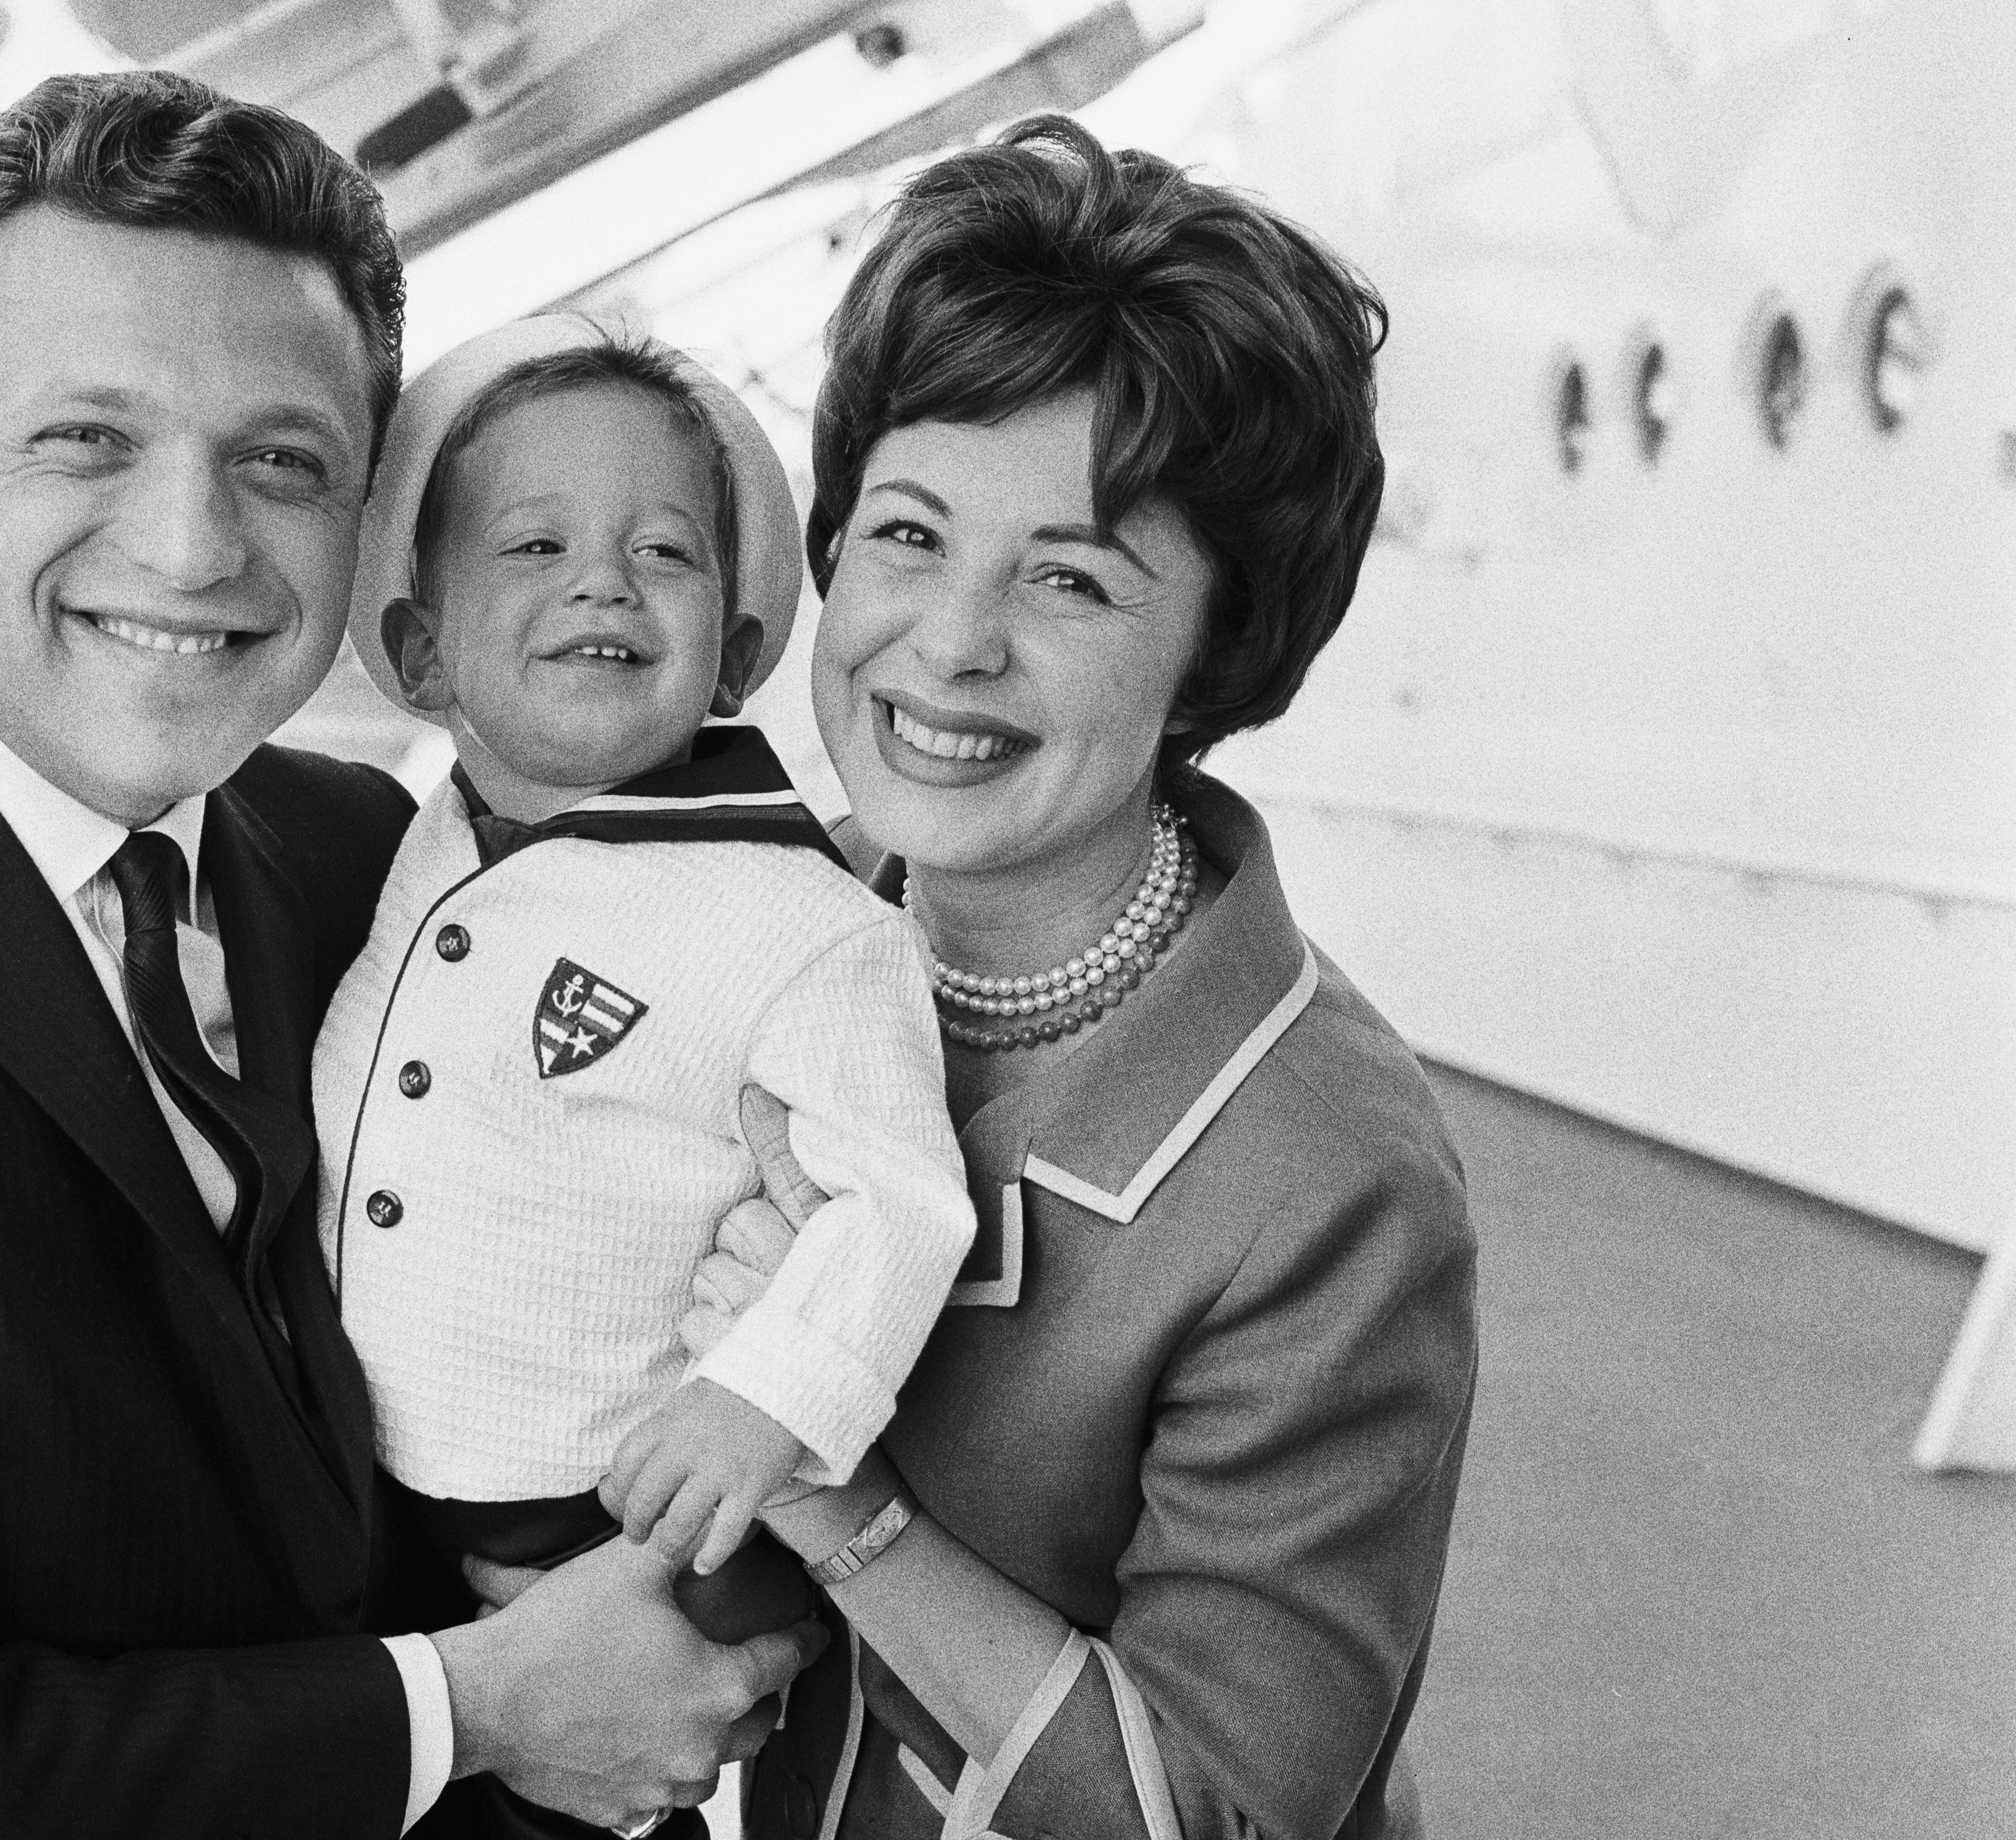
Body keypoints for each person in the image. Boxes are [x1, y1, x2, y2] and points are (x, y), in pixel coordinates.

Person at [0, 71, 818, 1840]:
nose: (192, 543)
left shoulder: (365, 862)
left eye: (281, 460)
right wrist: (465, 1712)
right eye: (88, 436)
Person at [705, 117, 1481, 1839]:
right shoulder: (740, 928)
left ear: (1220, 646)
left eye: (1067, 574)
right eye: (908, 534)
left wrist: (837, 1488)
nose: (954, 640)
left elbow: (1210, 1806)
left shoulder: (1330, 1181)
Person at [317, 316, 977, 1835]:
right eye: (534, 544)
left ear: (739, 652)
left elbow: (896, 1201)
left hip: (610, 1527)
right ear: (425, 654)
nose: (601, 579)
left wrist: (765, 1405)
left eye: (666, 553)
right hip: (379, 1522)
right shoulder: (430, 841)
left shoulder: (795, 920)